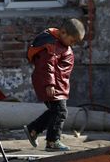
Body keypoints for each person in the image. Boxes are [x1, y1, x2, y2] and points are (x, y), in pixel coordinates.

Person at [23, 19, 85, 151]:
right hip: (51, 85)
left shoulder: (61, 45)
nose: (73, 44)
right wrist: (49, 84)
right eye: (72, 40)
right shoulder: (52, 46)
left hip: (58, 85)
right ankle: (52, 141)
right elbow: (47, 66)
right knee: (60, 112)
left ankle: (33, 130)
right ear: (63, 32)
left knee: (55, 111)